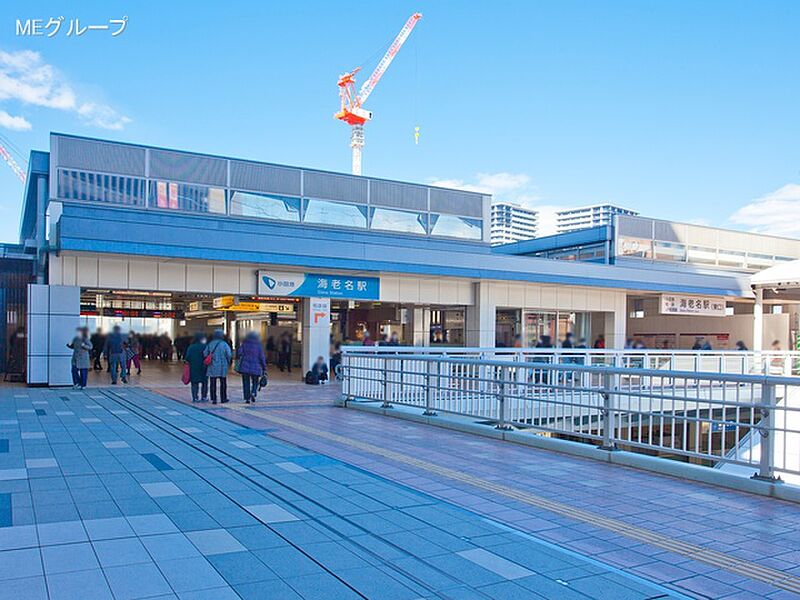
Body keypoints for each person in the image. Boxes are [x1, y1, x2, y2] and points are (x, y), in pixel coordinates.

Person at [237, 331, 267, 404]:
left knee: (246, 382)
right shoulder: (259, 346)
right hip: (256, 367)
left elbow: (239, 353)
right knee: (255, 381)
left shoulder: (244, 344)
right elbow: (262, 357)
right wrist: (264, 367)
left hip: (245, 367)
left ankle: (247, 398)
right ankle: (253, 392)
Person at [204, 329, 232, 404]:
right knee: (223, 383)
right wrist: (228, 361)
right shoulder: (224, 344)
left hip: (212, 366)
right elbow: (229, 354)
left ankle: (214, 398)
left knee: (213, 383)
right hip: (223, 366)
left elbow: (205, 353)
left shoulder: (210, 344)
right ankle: (223, 398)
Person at [184, 333, 208, 402]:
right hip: (204, 367)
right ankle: (204, 396)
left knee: (194, 383)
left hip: (193, 367)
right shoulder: (205, 346)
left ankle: (195, 397)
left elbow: (187, 357)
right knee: (204, 382)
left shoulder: (191, 347)